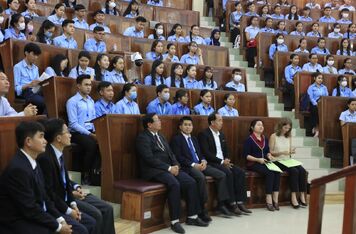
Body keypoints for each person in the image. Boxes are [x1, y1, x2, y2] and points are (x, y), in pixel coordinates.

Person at [40, 118, 115, 234]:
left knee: (107, 209)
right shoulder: (46, 158)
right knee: (94, 217)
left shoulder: (58, 152)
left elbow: (65, 180)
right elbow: (50, 193)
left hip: (68, 197)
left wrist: (74, 194)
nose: (70, 135)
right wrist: (70, 209)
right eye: (67, 132)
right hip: (59, 203)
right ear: (58, 138)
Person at [136, 114, 209, 233]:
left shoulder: (160, 135)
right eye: (157, 120)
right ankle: (174, 221)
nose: (160, 121)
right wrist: (169, 168)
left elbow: (171, 154)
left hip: (169, 168)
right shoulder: (142, 138)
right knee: (174, 184)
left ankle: (192, 217)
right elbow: (149, 159)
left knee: (190, 182)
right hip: (153, 170)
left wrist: (176, 166)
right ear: (149, 124)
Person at [0, 121, 73, 234]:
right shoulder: (18, 169)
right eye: (41, 137)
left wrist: (60, 219)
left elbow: (44, 197)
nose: (45, 141)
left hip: (35, 214)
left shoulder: (34, 162)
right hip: (16, 221)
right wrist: (58, 227)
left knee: (79, 227)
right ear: (28, 141)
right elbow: (29, 208)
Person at [171, 116, 230, 221]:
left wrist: (203, 160)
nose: (188, 127)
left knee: (222, 175)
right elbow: (179, 157)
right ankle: (202, 209)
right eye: (185, 125)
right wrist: (194, 165)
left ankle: (221, 204)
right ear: (180, 127)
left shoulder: (193, 138)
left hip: (201, 164)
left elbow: (200, 153)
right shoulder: (176, 139)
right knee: (200, 178)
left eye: (190, 125)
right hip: (188, 167)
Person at [198, 112, 251, 215]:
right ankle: (231, 204)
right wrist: (222, 162)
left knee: (240, 172)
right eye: (220, 120)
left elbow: (226, 150)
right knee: (228, 173)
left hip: (223, 162)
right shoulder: (204, 134)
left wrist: (226, 159)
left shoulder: (221, 134)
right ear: (212, 122)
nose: (222, 122)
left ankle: (240, 202)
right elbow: (206, 153)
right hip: (212, 163)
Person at [66, 74, 100, 185]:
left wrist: (97, 132)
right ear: (78, 86)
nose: (89, 87)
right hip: (76, 133)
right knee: (91, 144)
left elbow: (94, 119)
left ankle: (95, 174)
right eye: (86, 85)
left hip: (90, 131)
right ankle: (85, 174)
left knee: (103, 142)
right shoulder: (72, 101)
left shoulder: (91, 101)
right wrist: (90, 135)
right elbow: (73, 123)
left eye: (90, 85)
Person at [269, 118, 307, 208]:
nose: (287, 130)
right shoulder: (273, 136)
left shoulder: (289, 136)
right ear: (280, 126)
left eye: (289, 128)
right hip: (277, 160)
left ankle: (302, 195)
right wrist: (282, 153)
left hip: (287, 160)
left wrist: (291, 151)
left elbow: (288, 151)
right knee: (294, 171)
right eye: (285, 127)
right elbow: (270, 152)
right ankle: (293, 196)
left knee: (302, 170)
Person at [244, 119, 281, 211]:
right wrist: (258, 159)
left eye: (262, 125)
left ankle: (275, 199)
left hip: (264, 162)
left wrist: (269, 155)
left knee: (277, 171)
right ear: (252, 127)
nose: (261, 127)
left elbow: (267, 151)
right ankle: (268, 199)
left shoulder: (265, 138)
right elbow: (246, 156)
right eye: (258, 125)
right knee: (270, 173)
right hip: (253, 163)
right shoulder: (249, 139)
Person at [14, 42, 46, 114]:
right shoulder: (18, 67)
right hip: (26, 92)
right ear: (26, 53)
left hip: (36, 91)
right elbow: (16, 88)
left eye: (37, 55)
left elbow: (37, 83)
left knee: (50, 98)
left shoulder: (36, 68)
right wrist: (29, 85)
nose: (36, 57)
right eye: (34, 54)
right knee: (44, 102)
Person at [307, 72, 329, 137]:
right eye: (319, 78)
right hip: (314, 104)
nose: (320, 80)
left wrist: (323, 103)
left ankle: (319, 129)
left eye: (321, 78)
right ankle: (316, 128)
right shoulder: (311, 87)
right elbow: (310, 97)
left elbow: (327, 96)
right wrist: (316, 104)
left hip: (323, 103)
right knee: (316, 109)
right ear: (314, 78)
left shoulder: (324, 87)